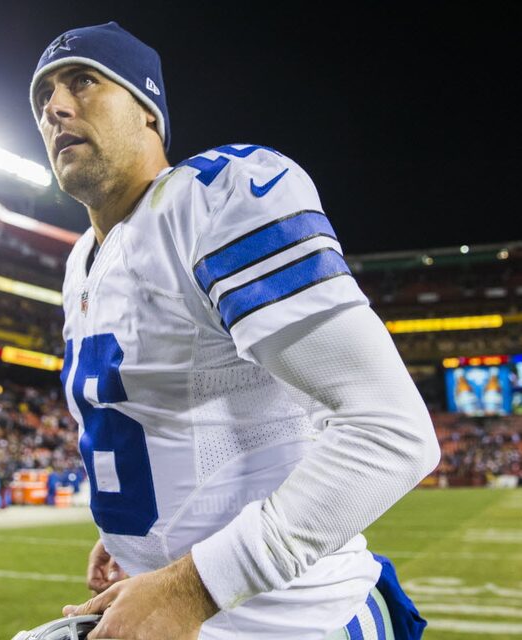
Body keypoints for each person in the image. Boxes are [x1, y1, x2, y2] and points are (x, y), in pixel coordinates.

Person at [28, 22, 440, 640]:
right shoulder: (81, 258)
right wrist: (135, 534)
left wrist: (189, 586)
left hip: (297, 623)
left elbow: (392, 431)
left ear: (148, 111)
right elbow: (180, 409)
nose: (55, 107)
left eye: (83, 82)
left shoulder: (217, 200)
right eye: (43, 98)